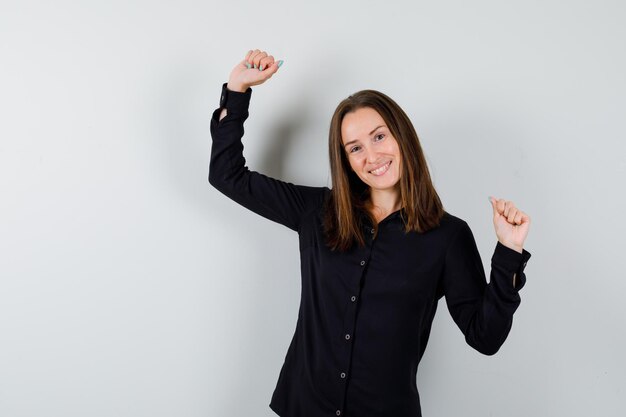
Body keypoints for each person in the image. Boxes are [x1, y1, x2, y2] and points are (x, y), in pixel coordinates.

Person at [209, 49, 532, 417]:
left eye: (379, 137)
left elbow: (485, 337)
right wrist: (237, 91)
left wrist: (508, 252)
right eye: (355, 148)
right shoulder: (318, 211)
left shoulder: (448, 237)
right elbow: (227, 176)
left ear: (401, 137)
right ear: (345, 160)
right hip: (302, 407)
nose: (371, 156)